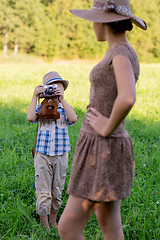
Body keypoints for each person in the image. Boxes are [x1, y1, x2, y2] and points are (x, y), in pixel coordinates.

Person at [58, 0, 147, 239]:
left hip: (102, 149)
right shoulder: (122, 51)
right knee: (109, 223)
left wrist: (106, 127)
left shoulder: (119, 53)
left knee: (67, 227)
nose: (92, 26)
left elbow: (127, 97)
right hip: (105, 146)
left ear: (103, 21)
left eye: (93, 20)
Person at [27, 71, 77, 229]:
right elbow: (30, 118)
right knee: (43, 190)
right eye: (50, 88)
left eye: (58, 89)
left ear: (63, 91)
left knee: (57, 189)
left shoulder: (64, 108)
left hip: (61, 155)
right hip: (42, 155)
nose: (54, 92)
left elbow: (74, 118)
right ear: (44, 90)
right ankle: (44, 225)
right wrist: (35, 96)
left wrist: (62, 99)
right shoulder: (40, 107)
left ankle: (53, 221)